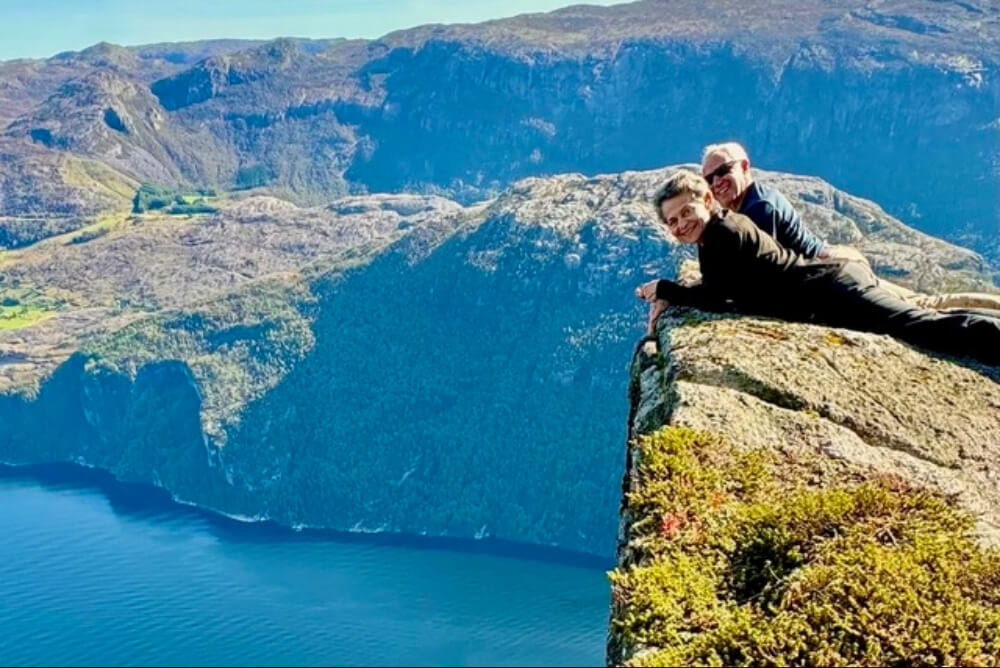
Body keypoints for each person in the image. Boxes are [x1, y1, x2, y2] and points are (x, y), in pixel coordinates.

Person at [636, 169, 1000, 367]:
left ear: (708, 202)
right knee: (915, 318)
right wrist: (673, 292)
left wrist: (667, 290)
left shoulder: (724, 233)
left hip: (835, 291)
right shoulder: (715, 233)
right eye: (672, 221)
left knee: (914, 326)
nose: (681, 223)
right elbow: (722, 287)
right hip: (828, 289)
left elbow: (718, 298)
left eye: (687, 211)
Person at [700, 142, 1000, 313]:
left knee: (924, 307)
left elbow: (765, 271)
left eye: (723, 171)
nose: (716, 183)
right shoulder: (755, 199)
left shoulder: (757, 209)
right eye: (709, 178)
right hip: (837, 262)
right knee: (927, 303)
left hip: (835, 269)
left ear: (744, 166)